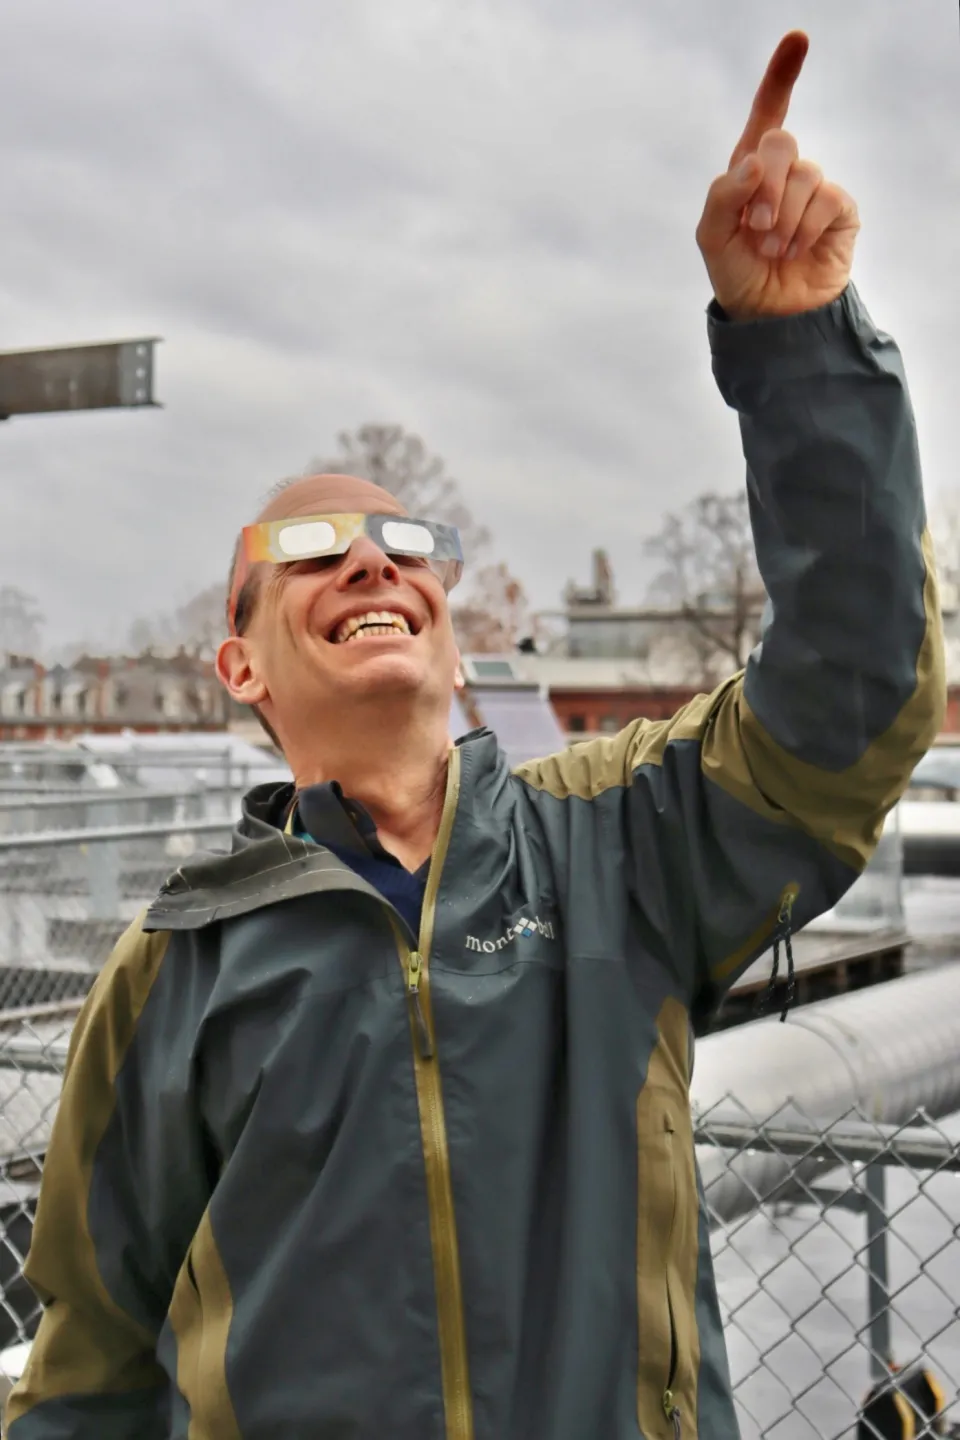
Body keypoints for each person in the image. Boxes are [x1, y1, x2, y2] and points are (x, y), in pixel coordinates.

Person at [6, 29, 944, 1440]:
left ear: (451, 633)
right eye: (312, 549)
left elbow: (859, 689)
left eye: (404, 546)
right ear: (238, 662)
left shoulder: (619, 848)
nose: (373, 563)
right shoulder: (168, 979)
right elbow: (89, 1386)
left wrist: (799, 344)